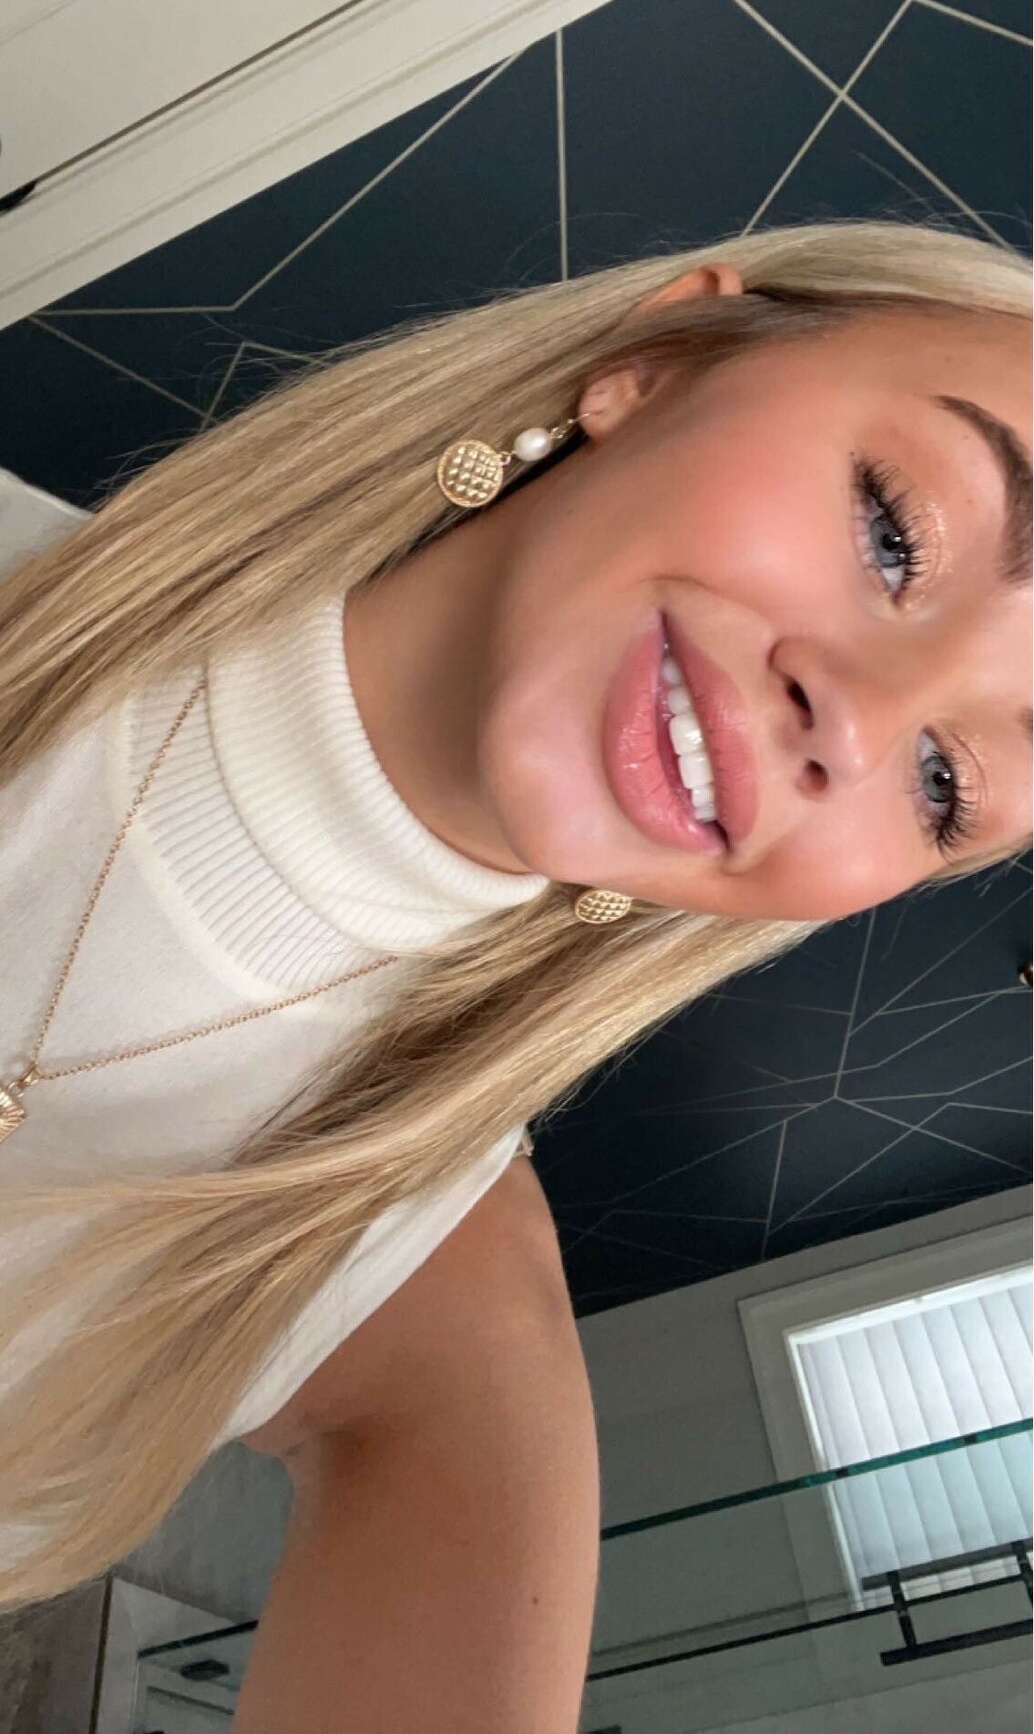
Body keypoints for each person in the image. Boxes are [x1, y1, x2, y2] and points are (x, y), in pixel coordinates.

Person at [0, 219, 1030, 1731]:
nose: (860, 726)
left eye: (947, 783)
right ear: (657, 363)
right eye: (895, 531)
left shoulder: (424, 1288)